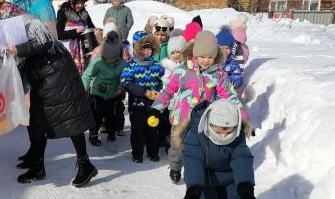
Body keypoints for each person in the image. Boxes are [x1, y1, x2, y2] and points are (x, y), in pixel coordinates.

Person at [0, 2, 98, 187]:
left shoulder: (31, 24)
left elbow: (44, 42)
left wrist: (18, 50)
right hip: (43, 77)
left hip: (58, 76)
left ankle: (85, 164)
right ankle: (38, 164)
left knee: (71, 120)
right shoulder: (14, 30)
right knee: (38, 121)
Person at [150, 30, 248, 184]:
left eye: (210, 57)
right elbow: (168, 90)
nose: (206, 61)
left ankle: (197, 172)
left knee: (202, 149)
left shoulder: (218, 74)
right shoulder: (182, 71)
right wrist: (156, 109)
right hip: (181, 117)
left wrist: (243, 118)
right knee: (178, 146)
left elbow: (230, 96)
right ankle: (175, 167)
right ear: (195, 54)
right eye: (202, 56)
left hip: (203, 119)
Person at [180, 98, 259, 199]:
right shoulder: (196, 135)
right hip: (204, 180)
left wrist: (246, 188)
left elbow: (241, 158)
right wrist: (194, 188)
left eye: (228, 131)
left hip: (230, 178)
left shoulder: (237, 136)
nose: (224, 136)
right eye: (219, 131)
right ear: (208, 124)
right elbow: (193, 161)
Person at [121, 34, 166, 162]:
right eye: (144, 48)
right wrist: (144, 92)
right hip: (137, 104)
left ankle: (153, 153)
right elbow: (126, 82)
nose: (147, 51)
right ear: (138, 49)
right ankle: (137, 154)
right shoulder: (131, 65)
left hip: (154, 104)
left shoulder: (158, 65)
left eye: (149, 48)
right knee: (137, 130)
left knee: (152, 129)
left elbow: (165, 81)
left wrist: (161, 92)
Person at [81, 31, 126, 145]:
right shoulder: (98, 62)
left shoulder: (122, 64)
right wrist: (84, 90)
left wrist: (121, 88)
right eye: (108, 57)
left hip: (113, 93)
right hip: (98, 92)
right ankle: (93, 134)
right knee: (97, 113)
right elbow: (87, 75)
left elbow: (125, 78)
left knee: (111, 114)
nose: (110, 60)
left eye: (113, 57)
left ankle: (111, 132)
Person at [56, 0, 96, 75]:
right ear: (71, 1)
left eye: (82, 3)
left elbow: (91, 28)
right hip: (68, 50)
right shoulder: (63, 12)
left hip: (83, 50)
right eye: (77, 3)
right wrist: (75, 31)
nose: (80, 5)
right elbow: (58, 34)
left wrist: (97, 31)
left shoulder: (85, 14)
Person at [216, 27, 244, 93]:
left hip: (227, 94)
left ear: (231, 48)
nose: (224, 51)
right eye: (222, 48)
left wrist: (225, 80)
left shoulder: (233, 63)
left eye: (227, 48)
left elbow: (238, 80)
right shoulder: (212, 61)